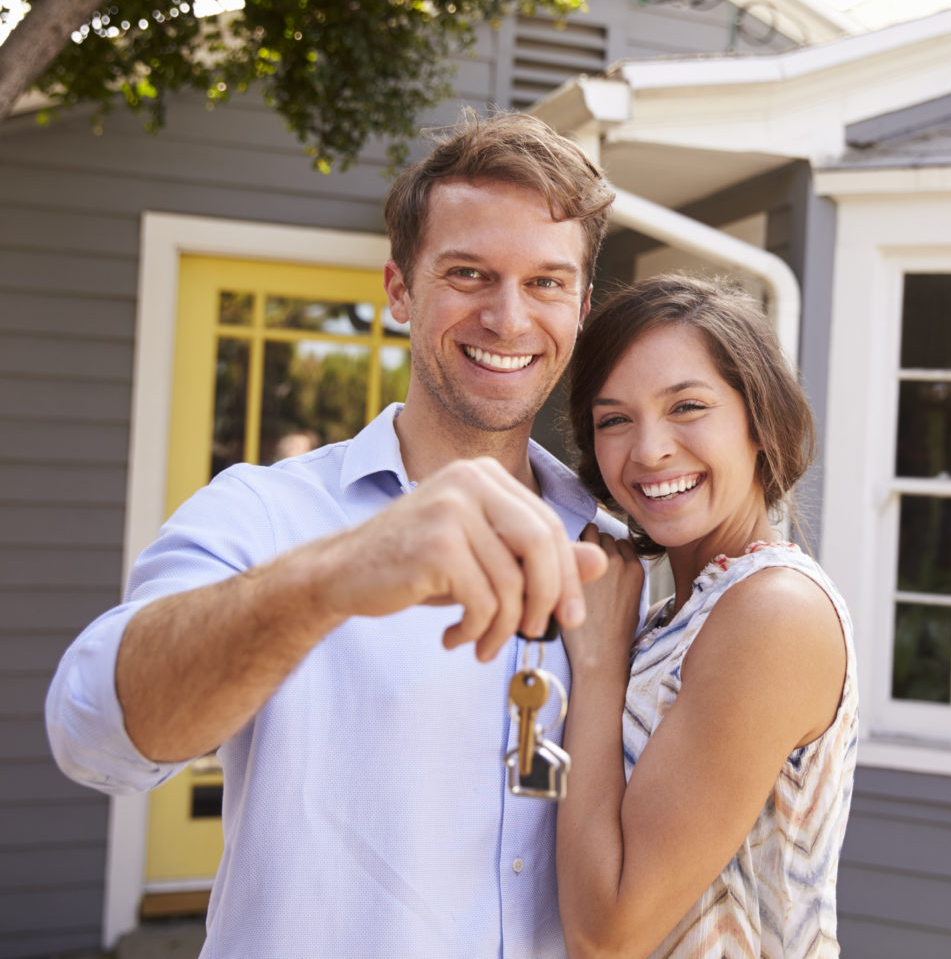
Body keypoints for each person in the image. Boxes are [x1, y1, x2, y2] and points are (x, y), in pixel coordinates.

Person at [45, 111, 631, 957]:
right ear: (399, 290)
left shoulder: (618, 552)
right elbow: (91, 735)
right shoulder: (268, 514)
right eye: (469, 274)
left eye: (545, 283)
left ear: (579, 305)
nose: (508, 319)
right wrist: (332, 577)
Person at [558, 275, 859, 958]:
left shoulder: (774, 614)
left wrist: (600, 665)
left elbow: (609, 935)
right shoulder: (676, 614)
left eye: (687, 406)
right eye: (614, 419)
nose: (649, 450)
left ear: (760, 421)